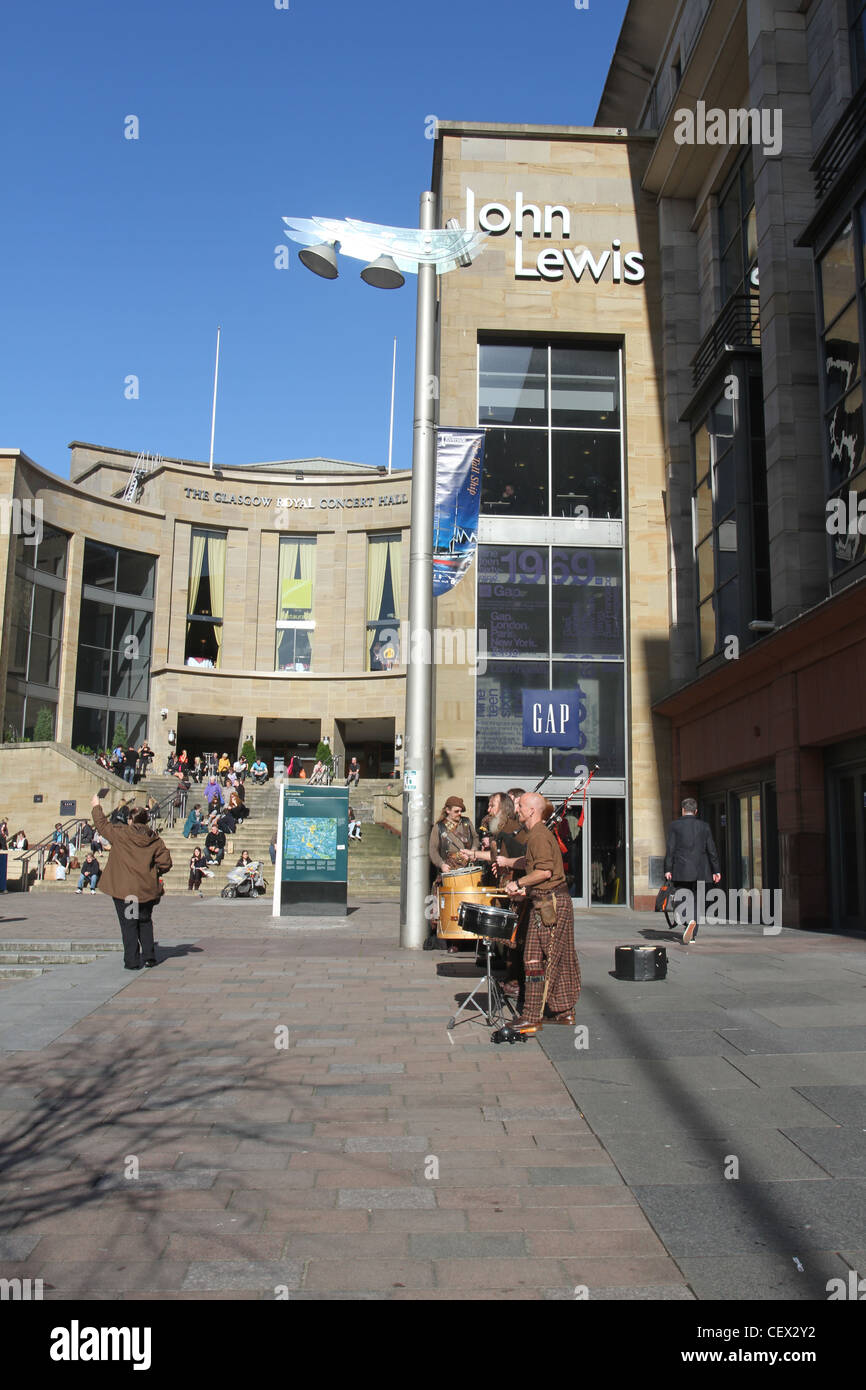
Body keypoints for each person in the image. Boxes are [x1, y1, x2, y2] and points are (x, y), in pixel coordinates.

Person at [500, 792, 581, 1034]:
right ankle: (564, 1012)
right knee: (557, 957)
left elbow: (544, 871)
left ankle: (531, 1016)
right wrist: (509, 866)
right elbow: (533, 865)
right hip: (549, 901)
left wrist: (518, 883)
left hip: (549, 904)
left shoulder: (538, 835)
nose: (517, 810)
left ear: (532, 810)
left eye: (521, 806)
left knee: (534, 960)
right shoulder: (538, 834)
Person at [90, 793, 172, 970]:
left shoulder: (121, 834)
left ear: (130, 820)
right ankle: (149, 957)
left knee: (129, 923)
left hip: (127, 891)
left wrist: (96, 806)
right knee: (145, 921)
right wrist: (153, 871)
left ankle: (132, 961)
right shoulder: (154, 839)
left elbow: (102, 825)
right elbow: (166, 863)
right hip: (146, 889)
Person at [664, 797, 721, 944]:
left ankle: (688, 921)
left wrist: (668, 868)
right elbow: (711, 849)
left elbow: (670, 849)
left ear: (683, 810)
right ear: (696, 811)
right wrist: (716, 870)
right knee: (696, 901)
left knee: (681, 898)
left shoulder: (674, 826)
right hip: (701, 870)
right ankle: (693, 934)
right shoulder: (704, 826)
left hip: (681, 870)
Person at [428, 796, 479, 953]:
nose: (459, 814)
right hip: (449, 870)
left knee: (467, 904)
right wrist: (441, 864)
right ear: (447, 810)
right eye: (456, 811)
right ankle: (452, 941)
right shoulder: (439, 827)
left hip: (467, 870)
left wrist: (473, 852)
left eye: (460, 811)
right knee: (450, 907)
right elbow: (432, 850)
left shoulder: (467, 823)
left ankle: (468, 939)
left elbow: (476, 839)